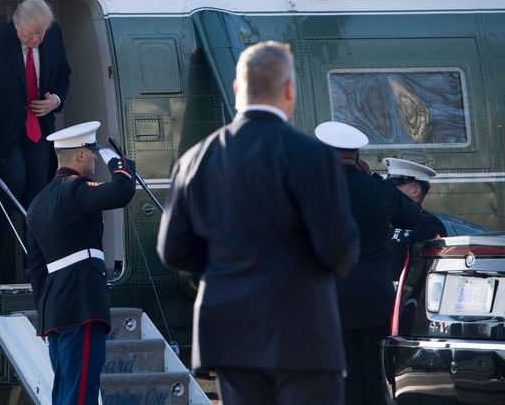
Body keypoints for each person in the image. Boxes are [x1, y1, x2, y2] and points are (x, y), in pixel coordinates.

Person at [157, 41, 360, 405]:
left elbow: (173, 249)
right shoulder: (312, 155)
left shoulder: (194, 160)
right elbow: (338, 248)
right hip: (303, 326)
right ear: (289, 90)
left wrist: (226, 270)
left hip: (230, 331)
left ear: (237, 89)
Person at [25, 121, 135, 405]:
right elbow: (122, 191)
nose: (96, 158)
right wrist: (118, 161)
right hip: (81, 303)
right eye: (93, 152)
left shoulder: (37, 203)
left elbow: (36, 268)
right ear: (81, 155)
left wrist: (44, 313)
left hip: (55, 310)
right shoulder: (75, 190)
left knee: (65, 391)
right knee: (81, 393)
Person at [315, 121, 421, 405]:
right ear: (357, 157)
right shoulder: (379, 189)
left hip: (329, 298)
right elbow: (412, 215)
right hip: (375, 298)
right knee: (375, 374)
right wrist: (374, 177)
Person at [0, 0, 71, 283]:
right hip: (5, 131)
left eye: (40, 33)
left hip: (38, 127)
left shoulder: (51, 35)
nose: (36, 39)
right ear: (16, 25)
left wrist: (55, 100)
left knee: (39, 189)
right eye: (30, 34)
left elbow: (64, 73)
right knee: (13, 182)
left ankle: (35, 259)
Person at [384, 158, 446, 280]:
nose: (390, 190)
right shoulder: (384, 218)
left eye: (396, 186)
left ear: (415, 191)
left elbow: (429, 268)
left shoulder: (428, 224)